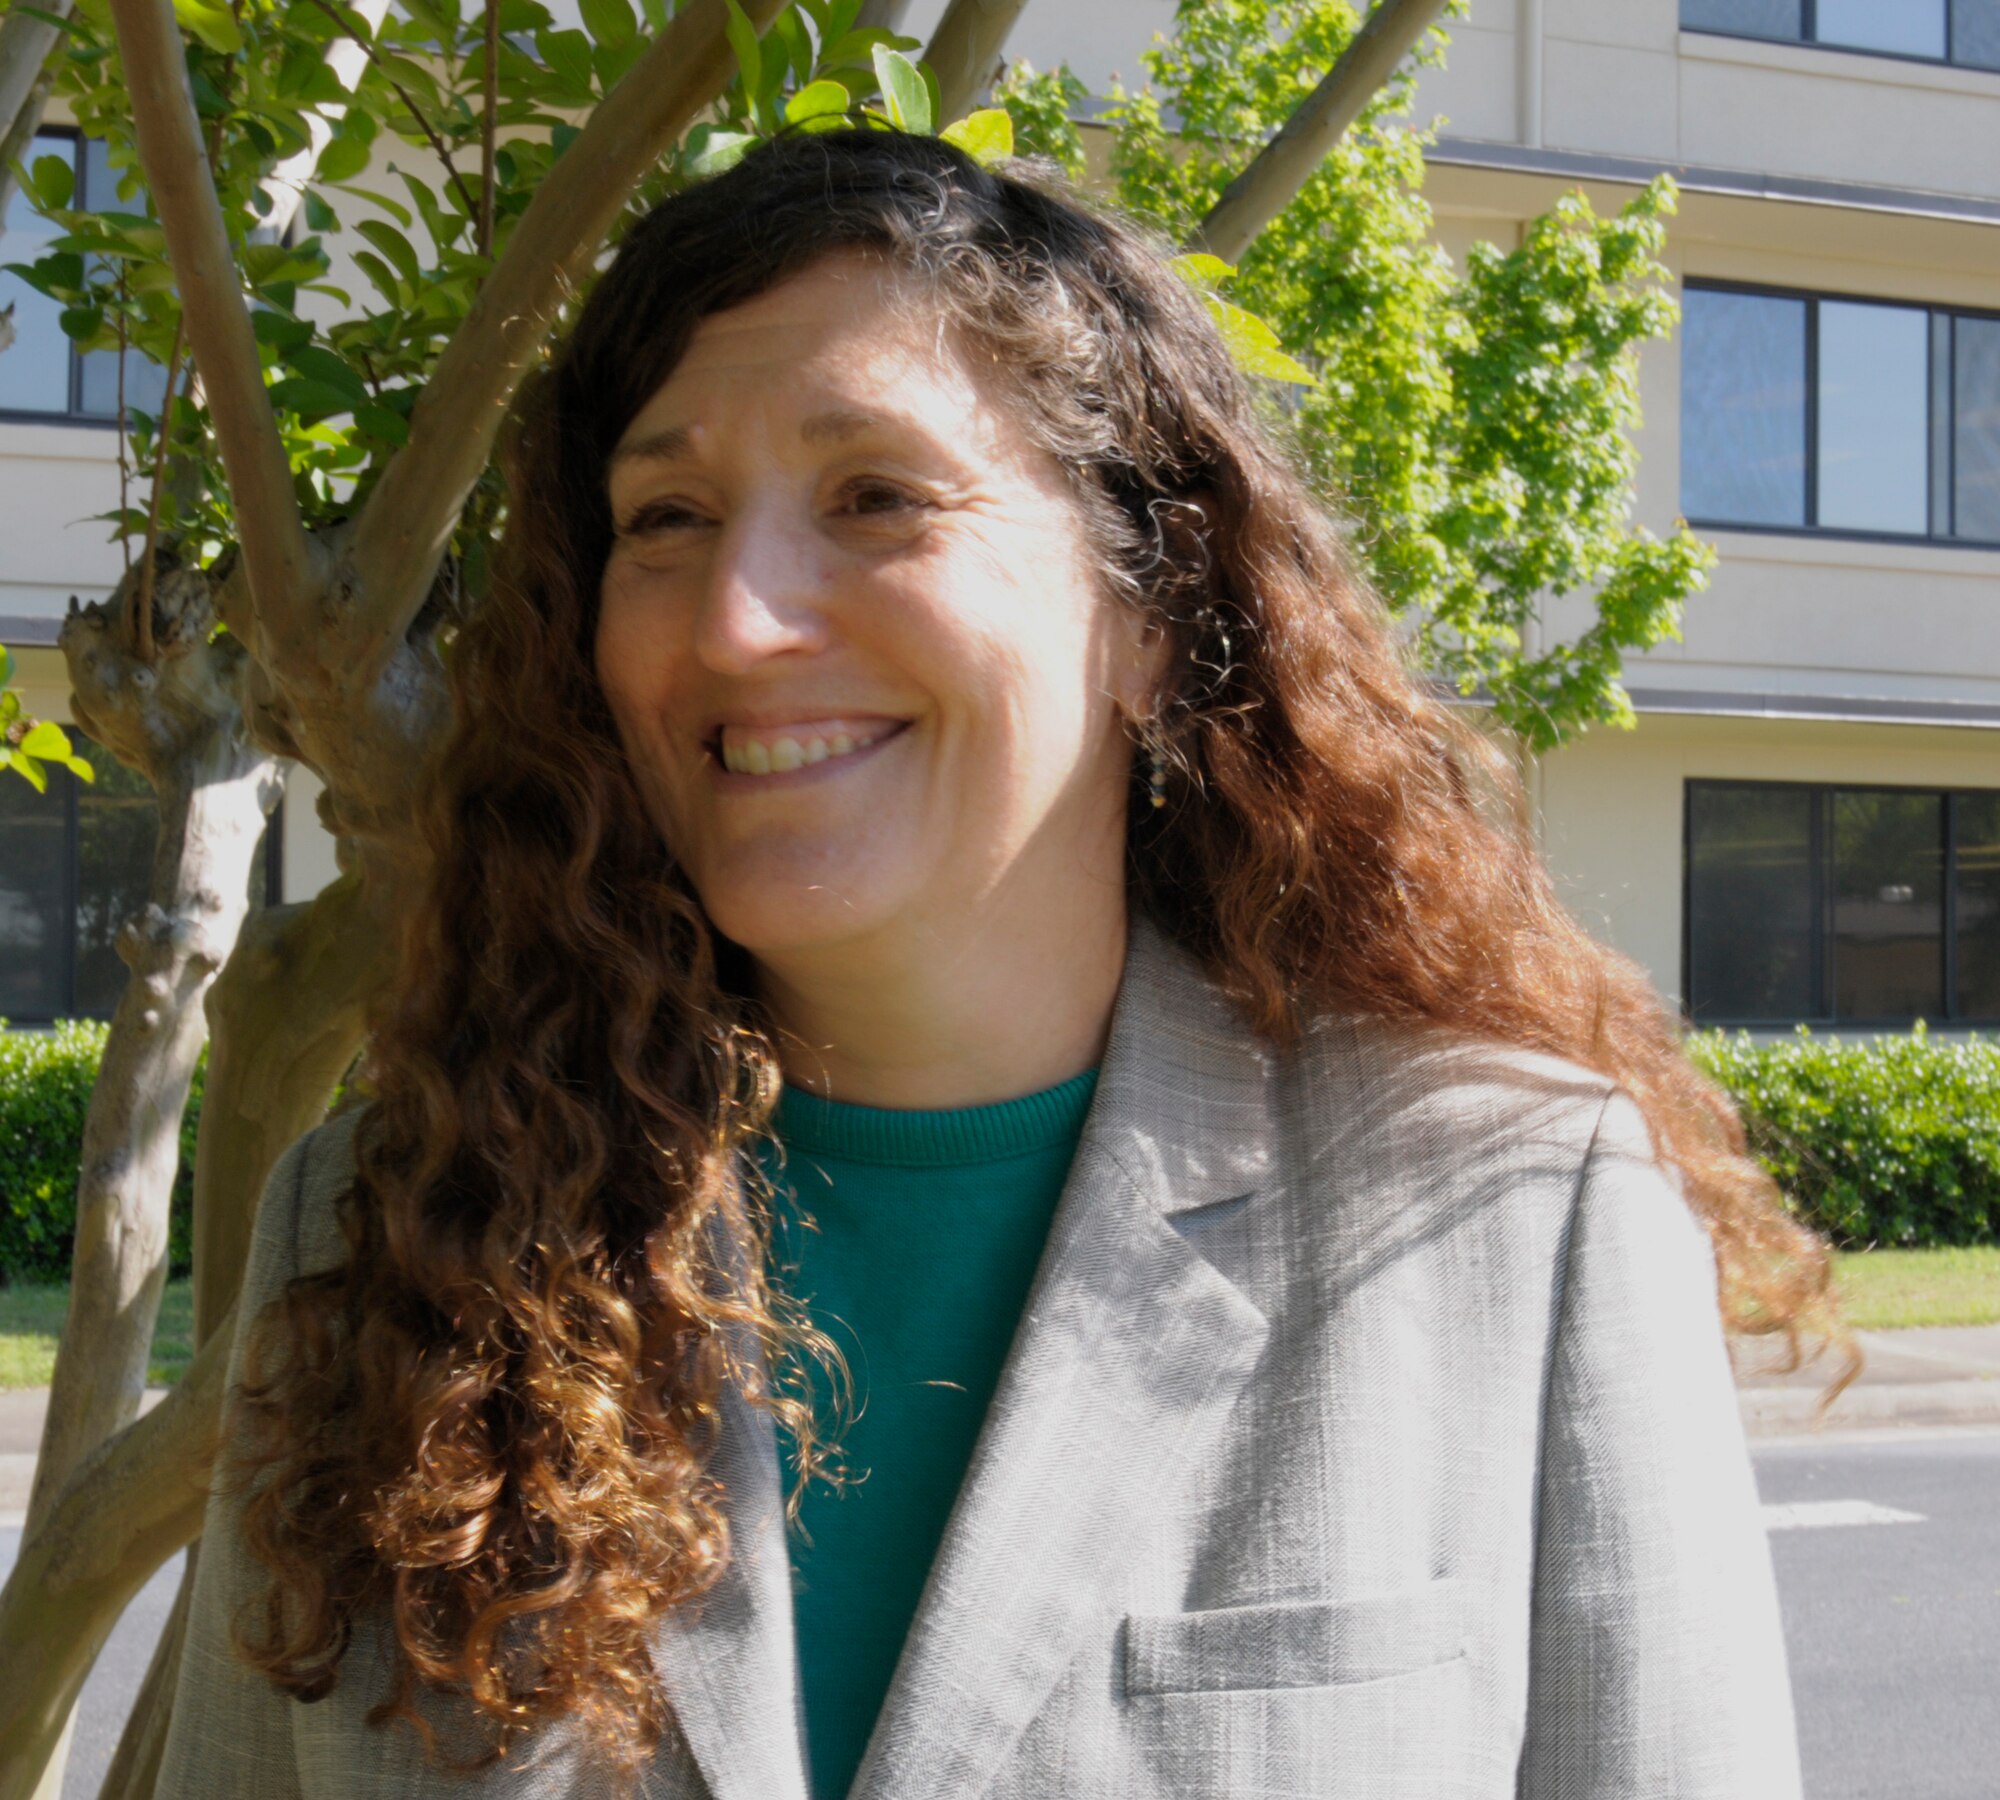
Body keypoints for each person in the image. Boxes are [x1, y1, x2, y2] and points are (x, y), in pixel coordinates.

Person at [157, 129, 1825, 1800]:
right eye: (665, 516)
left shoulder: (1511, 1213)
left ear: (1150, 609)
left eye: (876, 494)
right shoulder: (382, 1228)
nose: (737, 621)